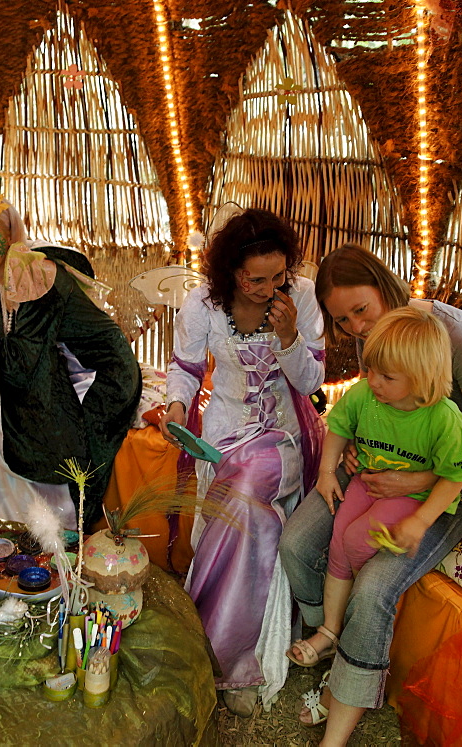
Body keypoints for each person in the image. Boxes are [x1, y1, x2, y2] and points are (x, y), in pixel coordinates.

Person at [278, 244, 462, 743]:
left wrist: (420, 480)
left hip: (450, 483)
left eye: (361, 311)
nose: (358, 330)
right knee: (297, 542)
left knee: (376, 585)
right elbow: (362, 409)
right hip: (377, 470)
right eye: (343, 322)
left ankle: (343, 691)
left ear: (387, 286)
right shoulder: (379, 340)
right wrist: (345, 455)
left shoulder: (454, 337)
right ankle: (332, 638)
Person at [158, 206, 326, 716]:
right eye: (256, 279)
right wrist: (177, 406)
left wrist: (291, 336)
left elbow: (311, 383)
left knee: (245, 488)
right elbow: (185, 367)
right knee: (247, 512)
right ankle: (227, 661)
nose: (268, 287)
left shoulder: (301, 298)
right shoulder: (202, 306)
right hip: (224, 434)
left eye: (278, 275)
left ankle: (205, 647)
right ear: (230, 271)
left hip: (281, 440)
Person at [288, 307, 462, 674]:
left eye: (386, 376)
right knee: (339, 539)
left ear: (421, 378)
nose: (372, 381)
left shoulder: (444, 419)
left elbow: (456, 477)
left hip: (412, 496)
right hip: (368, 481)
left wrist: (421, 521)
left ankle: (341, 627)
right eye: (371, 369)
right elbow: (339, 427)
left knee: (355, 541)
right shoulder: (365, 396)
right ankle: (329, 629)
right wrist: (327, 472)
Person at [0, 194, 141, 530]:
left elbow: (22, 363)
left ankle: (46, 531)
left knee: (39, 436)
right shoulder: (6, 276)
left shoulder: (33, 271)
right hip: (60, 368)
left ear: (11, 233)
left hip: (103, 380)